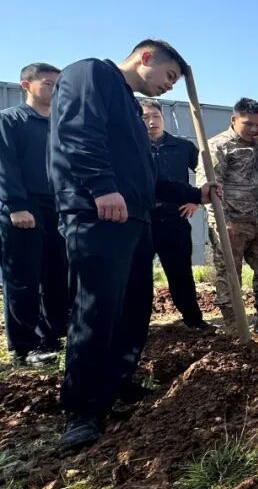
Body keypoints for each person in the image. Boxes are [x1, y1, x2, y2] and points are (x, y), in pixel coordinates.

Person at [49, 40, 218, 448]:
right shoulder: (92, 74)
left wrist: (194, 194)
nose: (170, 86)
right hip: (98, 213)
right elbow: (77, 133)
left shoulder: (130, 107)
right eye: (169, 76)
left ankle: (116, 383)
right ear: (145, 58)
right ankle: (83, 408)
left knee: (134, 307)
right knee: (97, 308)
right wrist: (101, 187)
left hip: (135, 219)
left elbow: (146, 178)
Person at [0, 63, 68, 367]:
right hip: (23, 209)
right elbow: (5, 165)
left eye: (59, 85)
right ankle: (23, 348)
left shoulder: (60, 125)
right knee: (22, 278)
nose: (56, 90)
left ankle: (52, 337)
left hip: (58, 207)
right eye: (49, 84)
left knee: (57, 274)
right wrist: (16, 205)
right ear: (26, 85)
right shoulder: (9, 121)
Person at [199, 98, 258, 332]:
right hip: (231, 222)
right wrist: (221, 222)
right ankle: (233, 324)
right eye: (248, 124)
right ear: (233, 120)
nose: (254, 129)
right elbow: (208, 189)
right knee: (229, 275)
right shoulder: (218, 146)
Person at [139, 99, 210, 330]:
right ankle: (138, 326)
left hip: (174, 219)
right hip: (142, 221)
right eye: (145, 117)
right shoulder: (134, 148)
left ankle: (193, 320)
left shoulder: (182, 146)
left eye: (155, 116)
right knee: (139, 275)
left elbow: (205, 172)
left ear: (163, 118)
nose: (151, 122)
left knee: (181, 272)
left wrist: (194, 199)